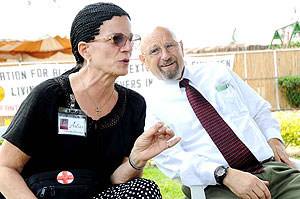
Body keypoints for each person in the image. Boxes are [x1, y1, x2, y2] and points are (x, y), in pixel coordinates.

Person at [0, 4, 180, 199]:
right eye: (117, 39)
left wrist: (137, 159)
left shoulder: (134, 104)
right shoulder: (49, 96)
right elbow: (4, 168)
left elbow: (116, 181)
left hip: (96, 195)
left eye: (130, 39)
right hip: (41, 195)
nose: (128, 48)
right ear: (85, 50)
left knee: (145, 188)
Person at [138, 26, 300, 199]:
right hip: (217, 186)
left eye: (170, 46)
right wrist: (224, 174)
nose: (165, 55)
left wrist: (274, 139)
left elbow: (259, 110)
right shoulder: (148, 105)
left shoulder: (217, 72)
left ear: (181, 47)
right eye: (155, 51)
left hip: (272, 171)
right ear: (144, 61)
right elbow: (171, 159)